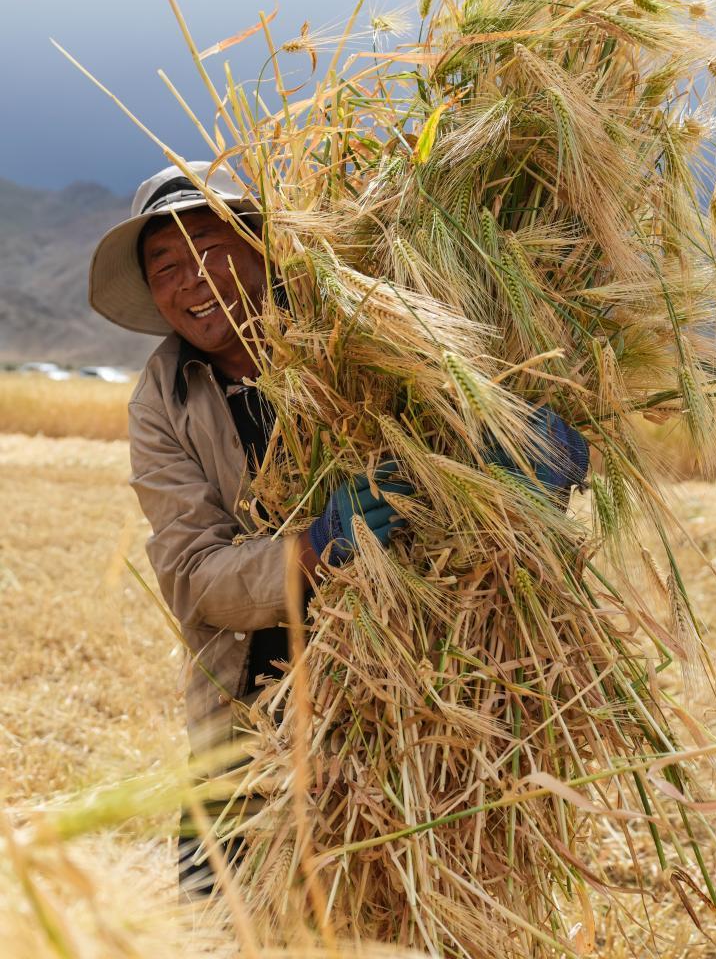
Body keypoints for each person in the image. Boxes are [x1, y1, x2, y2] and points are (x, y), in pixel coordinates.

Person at [88, 160, 588, 898]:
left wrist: (519, 452)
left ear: (259, 248)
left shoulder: (360, 328)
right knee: (216, 914)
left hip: (419, 692)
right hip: (251, 703)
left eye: (208, 248)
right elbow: (192, 577)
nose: (191, 279)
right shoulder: (162, 401)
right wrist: (313, 550)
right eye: (165, 267)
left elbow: (461, 431)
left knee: (409, 910)